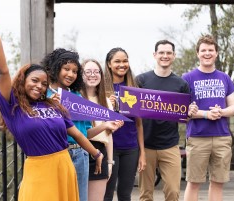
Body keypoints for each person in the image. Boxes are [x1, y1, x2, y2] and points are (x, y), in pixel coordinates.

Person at [0, 19, 104, 201]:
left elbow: (79, 135)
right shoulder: (14, 107)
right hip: (39, 170)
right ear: (23, 80)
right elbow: (3, 72)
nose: (39, 86)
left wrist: (96, 153)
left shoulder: (53, 105)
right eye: (34, 81)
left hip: (64, 167)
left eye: (43, 83)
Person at [41, 50, 121, 201]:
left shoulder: (77, 97)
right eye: (67, 69)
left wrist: (105, 125)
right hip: (57, 155)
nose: (71, 74)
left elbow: (85, 133)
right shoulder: (44, 95)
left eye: (75, 71)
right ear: (56, 68)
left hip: (81, 155)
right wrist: (50, 107)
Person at [136, 40, 197, 201]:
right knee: (145, 194)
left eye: (169, 53)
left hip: (170, 145)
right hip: (146, 145)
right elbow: (131, 110)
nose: (165, 56)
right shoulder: (141, 80)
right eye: (161, 52)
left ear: (174, 56)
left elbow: (185, 115)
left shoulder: (181, 84)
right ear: (154, 55)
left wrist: (190, 112)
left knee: (172, 192)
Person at [182, 34, 234, 201]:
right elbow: (183, 111)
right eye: (203, 50)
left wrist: (221, 112)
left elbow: (233, 107)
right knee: (194, 182)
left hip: (222, 137)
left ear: (216, 53)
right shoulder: (187, 78)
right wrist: (205, 114)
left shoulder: (224, 77)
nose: (207, 53)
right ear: (198, 53)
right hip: (197, 137)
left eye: (211, 50)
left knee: (218, 182)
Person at [103, 47, 146, 201]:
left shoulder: (134, 87)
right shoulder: (101, 88)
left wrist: (142, 153)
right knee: (107, 194)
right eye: (117, 61)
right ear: (109, 64)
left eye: (125, 61)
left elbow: (139, 124)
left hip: (131, 148)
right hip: (109, 147)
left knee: (125, 194)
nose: (122, 64)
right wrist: (107, 104)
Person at [80, 59, 124, 201]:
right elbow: (79, 133)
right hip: (79, 151)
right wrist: (105, 126)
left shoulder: (105, 101)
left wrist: (110, 162)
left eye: (96, 71)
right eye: (88, 72)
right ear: (81, 75)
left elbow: (108, 136)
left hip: (100, 154)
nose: (92, 75)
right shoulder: (75, 98)